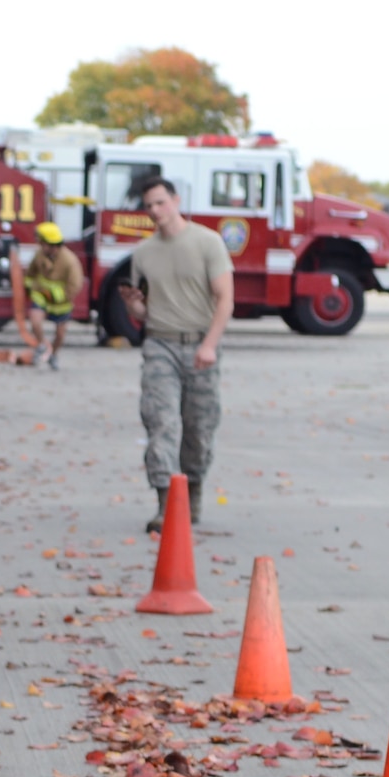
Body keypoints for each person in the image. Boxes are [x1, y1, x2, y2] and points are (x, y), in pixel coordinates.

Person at [117, 177, 233, 531]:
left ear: (176, 200)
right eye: (148, 206)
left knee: (199, 428)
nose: (154, 212)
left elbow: (225, 298)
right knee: (161, 421)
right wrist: (134, 306)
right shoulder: (143, 253)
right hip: (160, 345)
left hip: (199, 343)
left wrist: (210, 344)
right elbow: (144, 312)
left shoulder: (207, 243)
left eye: (160, 203)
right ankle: (166, 503)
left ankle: (192, 494)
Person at [23, 221, 83, 370]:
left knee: (60, 334)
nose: (40, 246)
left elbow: (74, 286)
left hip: (61, 303)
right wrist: (29, 289)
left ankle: (53, 355)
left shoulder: (70, 261)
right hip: (41, 296)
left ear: (52, 245)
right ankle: (42, 345)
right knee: (35, 319)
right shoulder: (39, 255)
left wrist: (53, 296)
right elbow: (30, 274)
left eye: (42, 243)